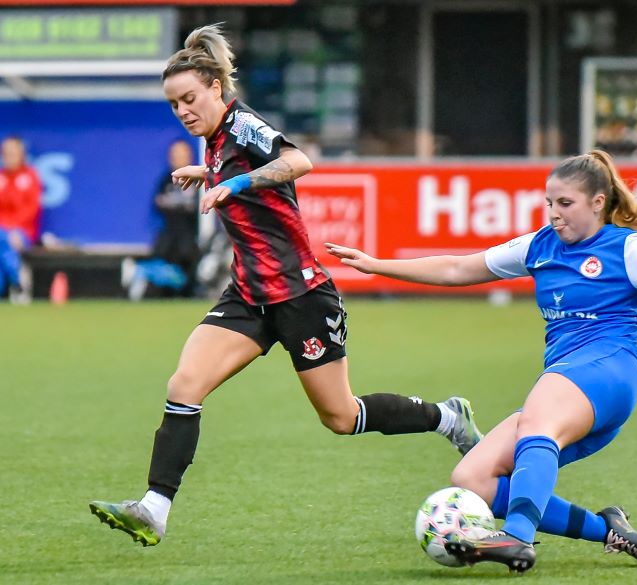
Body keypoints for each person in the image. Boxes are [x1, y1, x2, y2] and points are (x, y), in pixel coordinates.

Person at [89, 24, 483, 547]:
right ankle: (154, 509)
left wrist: (229, 182)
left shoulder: (242, 124)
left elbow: (299, 161)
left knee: (341, 417)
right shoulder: (212, 141)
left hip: (301, 295)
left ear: (215, 88)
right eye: (173, 104)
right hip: (249, 296)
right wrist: (207, 175)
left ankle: (447, 418)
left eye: (189, 98)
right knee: (184, 386)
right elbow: (237, 174)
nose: (182, 110)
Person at [326, 149, 637, 572]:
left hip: (610, 368)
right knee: (473, 477)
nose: (554, 213)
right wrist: (376, 263)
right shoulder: (540, 246)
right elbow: (458, 268)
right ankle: (610, 530)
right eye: (549, 202)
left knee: (539, 418)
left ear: (598, 202)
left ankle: (515, 538)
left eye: (564, 203)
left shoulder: (628, 247)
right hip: (566, 381)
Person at [123, 139, 201, 300]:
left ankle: (141, 271)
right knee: (164, 262)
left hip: (190, 237)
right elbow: (158, 203)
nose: (179, 158)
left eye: (183, 154)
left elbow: (199, 208)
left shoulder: (198, 178)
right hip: (169, 235)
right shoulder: (166, 180)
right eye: (175, 155)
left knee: (187, 269)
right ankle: (142, 273)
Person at [0, 136, 41, 302]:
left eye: (13, 153)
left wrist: (13, 230)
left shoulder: (30, 176)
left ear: (21, 154)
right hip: (2, 231)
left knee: (5, 241)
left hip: (23, 232)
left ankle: (17, 283)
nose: (9, 157)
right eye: (6, 153)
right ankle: (17, 282)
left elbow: (31, 210)